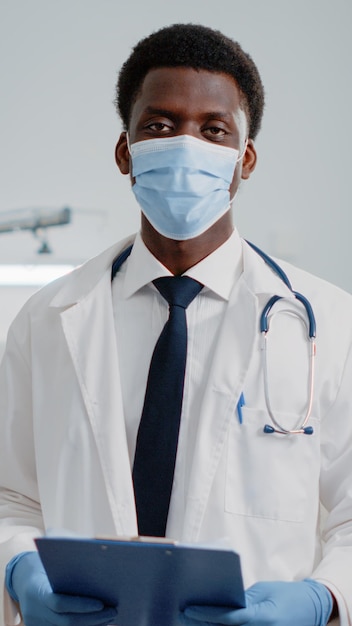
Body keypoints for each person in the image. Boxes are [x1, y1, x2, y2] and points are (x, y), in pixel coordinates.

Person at [0, 21, 351, 626]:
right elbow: (11, 495)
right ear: (124, 151)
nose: (186, 144)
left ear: (245, 159)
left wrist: (323, 598)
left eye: (213, 130)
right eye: (160, 126)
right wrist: (17, 569)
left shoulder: (329, 322)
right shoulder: (47, 319)